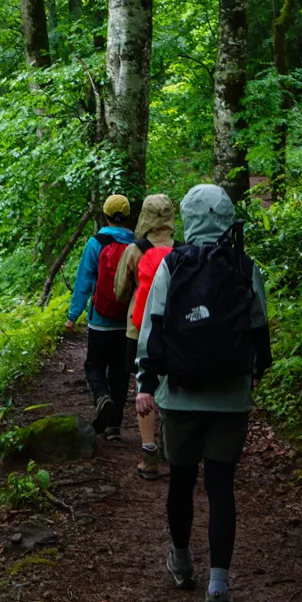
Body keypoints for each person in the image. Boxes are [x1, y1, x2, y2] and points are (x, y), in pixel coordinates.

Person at [135, 183, 271, 602]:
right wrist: (253, 373)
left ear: (189, 220)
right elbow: (259, 328)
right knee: (221, 488)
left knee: (181, 479)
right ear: (229, 217)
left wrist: (147, 382)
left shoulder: (173, 264)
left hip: (182, 394)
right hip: (231, 396)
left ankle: (181, 560)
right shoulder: (245, 265)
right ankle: (218, 588)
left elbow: (154, 327)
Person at [113, 192, 177, 479]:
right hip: (175, 330)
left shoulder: (135, 250)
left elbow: (119, 291)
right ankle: (172, 444)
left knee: (143, 387)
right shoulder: (183, 249)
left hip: (138, 329)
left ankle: (148, 455)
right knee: (171, 385)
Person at [66, 193, 135, 436]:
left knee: (94, 365)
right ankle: (114, 426)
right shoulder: (135, 244)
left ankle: (102, 396)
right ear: (127, 216)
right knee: (120, 370)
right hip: (126, 323)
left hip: (99, 322)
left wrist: (72, 315)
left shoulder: (95, 243)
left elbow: (83, 281)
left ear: (104, 215)